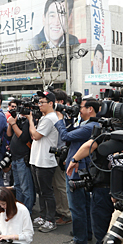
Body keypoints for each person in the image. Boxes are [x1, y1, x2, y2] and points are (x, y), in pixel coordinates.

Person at [56, 98, 99, 244]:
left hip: (76, 171)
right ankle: (85, 233)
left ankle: (79, 238)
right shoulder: (88, 125)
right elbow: (70, 133)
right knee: (84, 204)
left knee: (76, 205)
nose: (79, 110)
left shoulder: (90, 127)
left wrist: (60, 120)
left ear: (90, 109)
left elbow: (66, 136)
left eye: (81, 107)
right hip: (81, 169)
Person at [26, 91, 59, 233]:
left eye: (42, 102)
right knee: (40, 191)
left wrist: (30, 120)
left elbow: (35, 135)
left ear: (50, 103)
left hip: (45, 161)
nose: (39, 105)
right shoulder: (46, 117)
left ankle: (51, 219)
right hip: (38, 159)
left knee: (46, 192)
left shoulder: (49, 118)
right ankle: (43, 216)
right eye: (38, 102)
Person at [50, 88, 72, 225]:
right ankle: (61, 210)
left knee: (60, 185)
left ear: (60, 102)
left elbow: (65, 136)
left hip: (61, 153)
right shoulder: (55, 115)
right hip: (54, 153)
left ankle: (66, 213)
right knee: (56, 185)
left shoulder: (64, 116)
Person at [6, 109, 34, 214]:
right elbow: (8, 135)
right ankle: (19, 211)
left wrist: (13, 124)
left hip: (23, 158)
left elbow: (23, 137)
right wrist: (11, 123)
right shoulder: (19, 120)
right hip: (14, 158)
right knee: (17, 187)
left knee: (25, 188)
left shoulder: (27, 122)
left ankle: (27, 212)